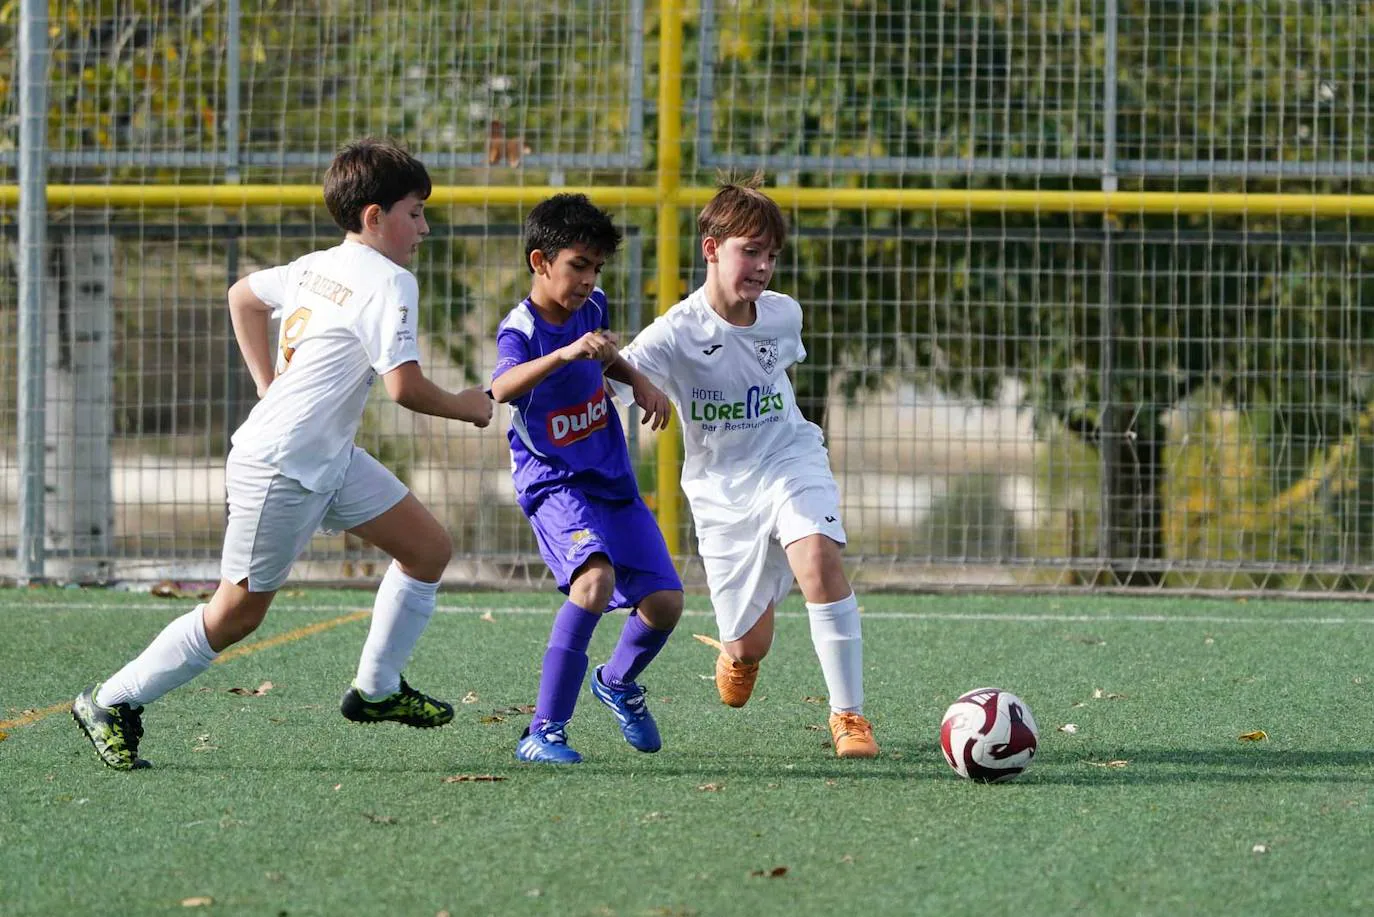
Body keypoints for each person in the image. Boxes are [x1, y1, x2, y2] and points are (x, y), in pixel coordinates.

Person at [72, 138, 494, 770]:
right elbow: (404, 387)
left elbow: (243, 294)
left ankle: (375, 691)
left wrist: (269, 386)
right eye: (414, 212)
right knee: (237, 613)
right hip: (282, 465)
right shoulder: (391, 281)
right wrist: (469, 404)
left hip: (326, 456)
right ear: (374, 217)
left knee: (428, 549)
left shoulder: (313, 265)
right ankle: (112, 699)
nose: (424, 227)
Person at [618, 178, 878, 758]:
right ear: (711, 248)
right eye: (749, 251)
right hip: (722, 491)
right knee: (750, 644)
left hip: (789, 456)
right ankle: (737, 652)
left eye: (771, 255)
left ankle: (849, 716)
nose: (762, 267)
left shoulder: (784, 316)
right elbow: (613, 370)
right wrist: (636, 384)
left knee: (818, 557)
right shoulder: (676, 332)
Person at [491, 193, 683, 764]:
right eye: (578, 264)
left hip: (610, 477)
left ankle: (617, 682)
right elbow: (501, 388)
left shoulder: (592, 306)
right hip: (554, 482)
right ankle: (542, 731)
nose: (588, 278)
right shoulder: (519, 329)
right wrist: (567, 354)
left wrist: (639, 380)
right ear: (540, 262)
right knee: (593, 582)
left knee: (666, 603)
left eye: (596, 267)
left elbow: (602, 355)